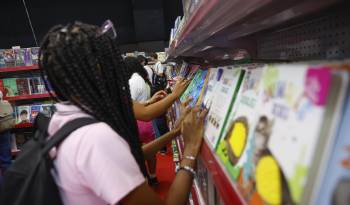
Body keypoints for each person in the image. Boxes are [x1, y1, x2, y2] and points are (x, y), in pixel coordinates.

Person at [38, 22, 206, 205]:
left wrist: (175, 133)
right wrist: (190, 151)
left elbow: (134, 155)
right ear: (100, 72)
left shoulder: (63, 120)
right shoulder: (95, 138)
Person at [125, 56, 160, 186]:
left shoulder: (133, 81)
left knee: (139, 153)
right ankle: (153, 176)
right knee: (150, 151)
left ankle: (144, 179)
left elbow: (130, 104)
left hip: (137, 121)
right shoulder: (143, 80)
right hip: (147, 121)